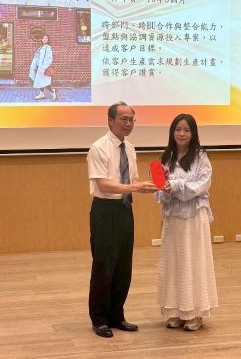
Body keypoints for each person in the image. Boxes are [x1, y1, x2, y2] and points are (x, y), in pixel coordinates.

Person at [87, 102, 157, 338]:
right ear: (110, 120)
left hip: (125, 209)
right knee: (104, 265)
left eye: (131, 120)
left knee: (123, 265)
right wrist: (134, 187)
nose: (128, 124)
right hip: (105, 211)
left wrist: (146, 187)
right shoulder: (98, 147)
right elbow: (103, 184)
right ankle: (99, 319)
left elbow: (132, 180)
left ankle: (117, 315)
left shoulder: (130, 148)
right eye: (124, 119)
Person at [156, 114, 218, 331]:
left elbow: (202, 185)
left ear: (193, 133)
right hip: (173, 218)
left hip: (194, 216)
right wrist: (164, 189)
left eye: (186, 130)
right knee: (173, 262)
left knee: (193, 260)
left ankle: (195, 313)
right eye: (178, 129)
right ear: (172, 132)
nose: (181, 134)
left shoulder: (201, 157)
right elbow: (159, 190)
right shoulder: (166, 157)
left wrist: (176, 185)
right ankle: (175, 311)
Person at [28, 35, 56, 101]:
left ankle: (52, 92)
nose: (44, 39)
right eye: (43, 38)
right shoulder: (41, 47)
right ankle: (42, 94)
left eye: (46, 38)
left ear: (48, 40)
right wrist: (35, 65)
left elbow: (49, 59)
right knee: (40, 81)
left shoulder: (48, 48)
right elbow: (37, 57)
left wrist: (43, 67)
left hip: (43, 68)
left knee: (45, 82)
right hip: (39, 67)